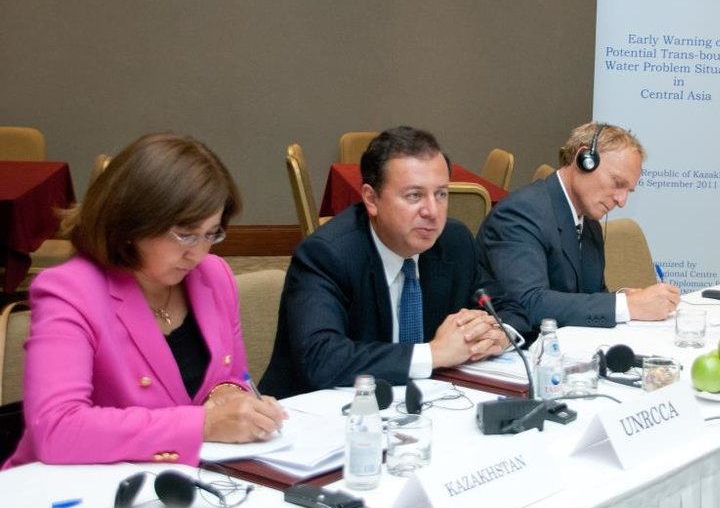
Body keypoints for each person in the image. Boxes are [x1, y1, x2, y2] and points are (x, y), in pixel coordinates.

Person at [2, 134, 285, 470]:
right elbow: (57, 429)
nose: (198, 253)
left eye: (212, 233)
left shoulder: (214, 276)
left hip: (182, 479)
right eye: (185, 234)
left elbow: (232, 375)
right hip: (78, 486)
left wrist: (230, 395)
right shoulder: (70, 291)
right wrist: (202, 425)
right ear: (131, 225)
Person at [260, 126, 528, 398]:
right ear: (371, 199)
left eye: (441, 194)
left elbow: (511, 310)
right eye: (414, 196)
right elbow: (321, 358)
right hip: (321, 412)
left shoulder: (454, 242)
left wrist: (500, 333)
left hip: (426, 406)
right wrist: (434, 353)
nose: (432, 212)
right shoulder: (327, 255)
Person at [477, 121, 680, 329]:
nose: (622, 201)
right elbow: (528, 304)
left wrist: (624, 298)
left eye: (628, 191)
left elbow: (587, 296)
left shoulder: (589, 222)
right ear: (585, 160)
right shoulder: (521, 213)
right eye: (618, 183)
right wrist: (627, 305)